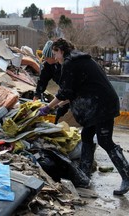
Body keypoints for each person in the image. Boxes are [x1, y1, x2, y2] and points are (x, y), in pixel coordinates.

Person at [38, 38, 129, 195]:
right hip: (97, 103)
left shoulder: (70, 62)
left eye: (55, 54)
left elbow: (65, 92)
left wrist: (48, 107)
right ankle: (83, 175)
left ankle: (127, 176)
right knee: (87, 135)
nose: (55, 58)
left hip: (102, 105)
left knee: (105, 141)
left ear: (60, 51)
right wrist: (60, 103)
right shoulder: (77, 59)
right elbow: (74, 89)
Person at [33, 40, 70, 124]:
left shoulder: (66, 65)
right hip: (65, 92)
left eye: (46, 56)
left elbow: (68, 89)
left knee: (67, 114)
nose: (45, 58)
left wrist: (51, 106)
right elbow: (42, 80)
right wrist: (37, 95)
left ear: (53, 56)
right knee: (59, 113)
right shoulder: (48, 66)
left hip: (71, 93)